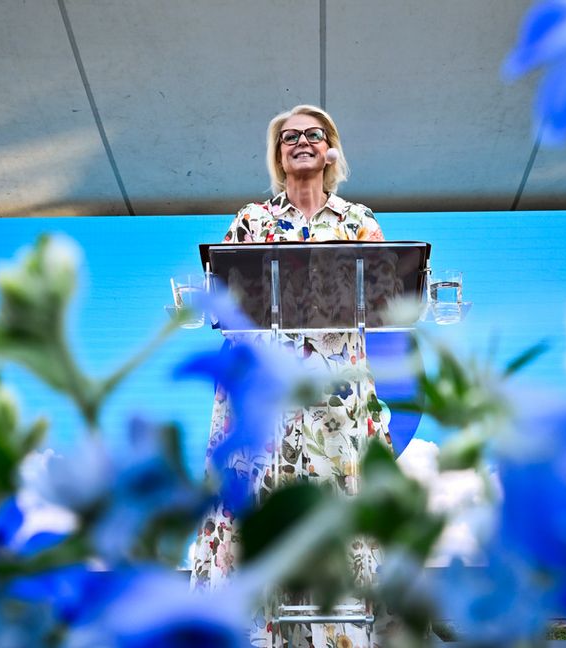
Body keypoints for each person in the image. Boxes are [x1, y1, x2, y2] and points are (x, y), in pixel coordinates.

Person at [191, 105, 395, 647]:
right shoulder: (252, 222)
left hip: (337, 403)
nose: (301, 143)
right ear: (278, 156)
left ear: (331, 148)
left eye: (313, 134)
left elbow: (386, 297)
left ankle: (341, 630)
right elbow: (228, 302)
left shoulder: (359, 223)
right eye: (289, 138)